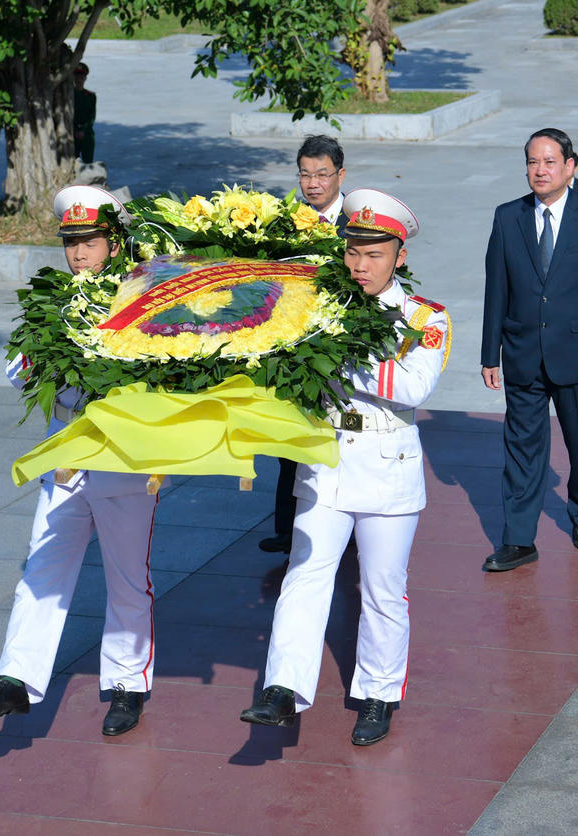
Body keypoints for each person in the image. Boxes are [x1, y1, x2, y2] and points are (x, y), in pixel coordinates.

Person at [240, 188, 449, 747]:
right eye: (353, 251)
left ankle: (378, 693)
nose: (360, 264)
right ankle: (282, 688)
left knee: (383, 589)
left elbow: (412, 386)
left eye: (374, 253)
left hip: (387, 466)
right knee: (304, 576)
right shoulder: (319, 306)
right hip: (326, 462)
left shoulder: (424, 316)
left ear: (399, 255)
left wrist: (339, 351)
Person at [0, 185, 158, 737]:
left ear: (114, 243)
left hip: (124, 454)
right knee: (43, 564)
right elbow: (16, 367)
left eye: (90, 241)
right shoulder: (51, 300)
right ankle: (14, 679)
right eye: (71, 242)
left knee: (126, 577)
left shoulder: (142, 298)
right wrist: (44, 357)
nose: (78, 253)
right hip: (68, 451)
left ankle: (126, 685)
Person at [480, 127, 578, 573]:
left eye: (548, 162)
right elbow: (496, 289)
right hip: (522, 352)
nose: (539, 171)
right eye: (531, 162)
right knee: (522, 448)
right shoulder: (508, 218)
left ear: (569, 167)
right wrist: (490, 354)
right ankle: (519, 539)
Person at [260, 135, 349, 556]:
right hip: (293, 346)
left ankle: (346, 522)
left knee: (343, 437)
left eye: (321, 174)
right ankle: (288, 527)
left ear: (339, 175)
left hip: (342, 352)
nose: (312, 184)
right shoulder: (286, 222)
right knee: (290, 437)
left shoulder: (360, 219)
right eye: (305, 174)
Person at [73, 63, 97, 164]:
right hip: (72, 133)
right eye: (77, 75)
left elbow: (92, 117)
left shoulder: (90, 96)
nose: (80, 78)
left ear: (85, 78)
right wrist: (75, 130)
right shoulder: (68, 94)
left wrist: (83, 130)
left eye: (82, 76)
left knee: (88, 164)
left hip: (86, 133)